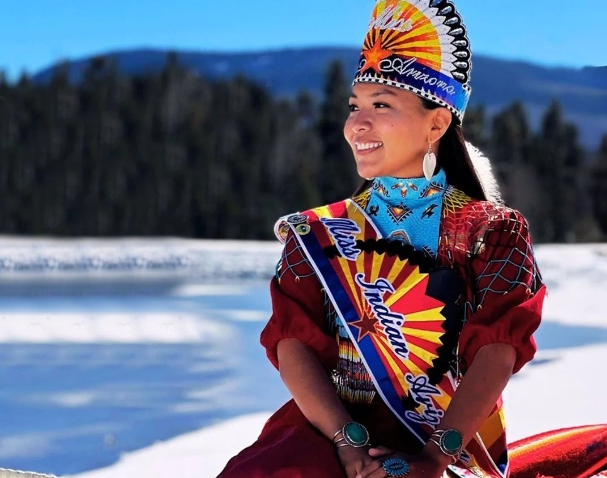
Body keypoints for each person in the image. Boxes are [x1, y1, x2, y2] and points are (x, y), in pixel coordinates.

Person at [216, 1, 546, 477]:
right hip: (332, 431)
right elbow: (293, 344)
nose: (357, 124)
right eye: (354, 106)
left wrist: (436, 457)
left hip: (449, 442)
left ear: (437, 123)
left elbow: (498, 349)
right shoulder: (317, 232)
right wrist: (347, 442)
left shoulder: (491, 231)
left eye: (381, 105)